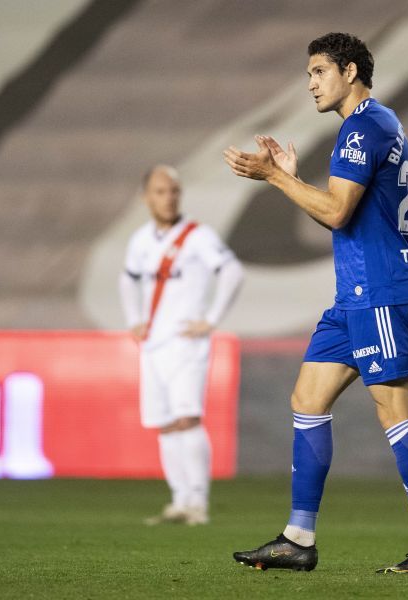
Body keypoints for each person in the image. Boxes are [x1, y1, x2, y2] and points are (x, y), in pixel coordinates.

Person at [223, 32, 408, 574]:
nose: (310, 83)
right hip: (354, 297)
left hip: (378, 293)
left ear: (349, 71)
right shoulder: (378, 124)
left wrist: (275, 177)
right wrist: (289, 177)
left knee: (397, 412)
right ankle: (298, 538)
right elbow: (343, 208)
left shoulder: (363, 127)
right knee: (308, 398)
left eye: (318, 71)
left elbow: (335, 213)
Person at [119, 164, 244, 526]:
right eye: (160, 191)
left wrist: (211, 319)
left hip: (187, 342)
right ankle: (178, 499)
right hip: (154, 343)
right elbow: (128, 280)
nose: (168, 198)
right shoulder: (141, 240)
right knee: (166, 423)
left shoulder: (197, 236)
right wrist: (134, 319)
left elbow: (232, 271)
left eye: (173, 191)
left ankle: (198, 503)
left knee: (187, 417)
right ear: (146, 197)